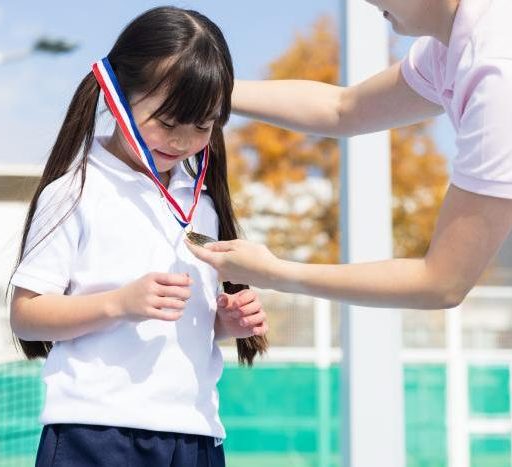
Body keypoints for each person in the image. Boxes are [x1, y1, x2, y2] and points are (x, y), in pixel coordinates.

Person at [9, 7, 267, 467]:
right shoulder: (76, 191)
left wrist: (224, 323)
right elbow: (26, 315)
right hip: (94, 431)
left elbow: (181, 328)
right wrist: (119, 302)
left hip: (195, 436)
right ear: (117, 96)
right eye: (168, 122)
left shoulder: (200, 202)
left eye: (203, 126)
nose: (185, 141)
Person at [186, 0, 512, 310]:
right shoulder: (454, 45)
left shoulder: (496, 72)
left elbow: (443, 281)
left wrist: (274, 272)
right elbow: (344, 109)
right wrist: (204, 87)